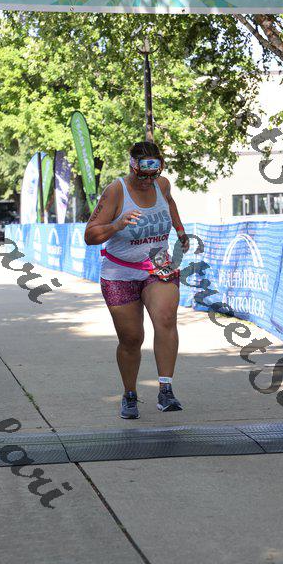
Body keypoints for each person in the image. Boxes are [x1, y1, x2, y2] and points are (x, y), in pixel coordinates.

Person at [84, 141, 189, 419]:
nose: (147, 182)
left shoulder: (161, 185)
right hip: (120, 273)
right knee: (131, 338)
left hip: (158, 265)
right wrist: (117, 224)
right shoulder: (116, 191)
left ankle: (166, 390)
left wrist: (180, 230)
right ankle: (129, 394)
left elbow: (170, 203)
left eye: (153, 175)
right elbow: (90, 235)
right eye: (142, 176)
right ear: (132, 168)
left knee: (166, 318)